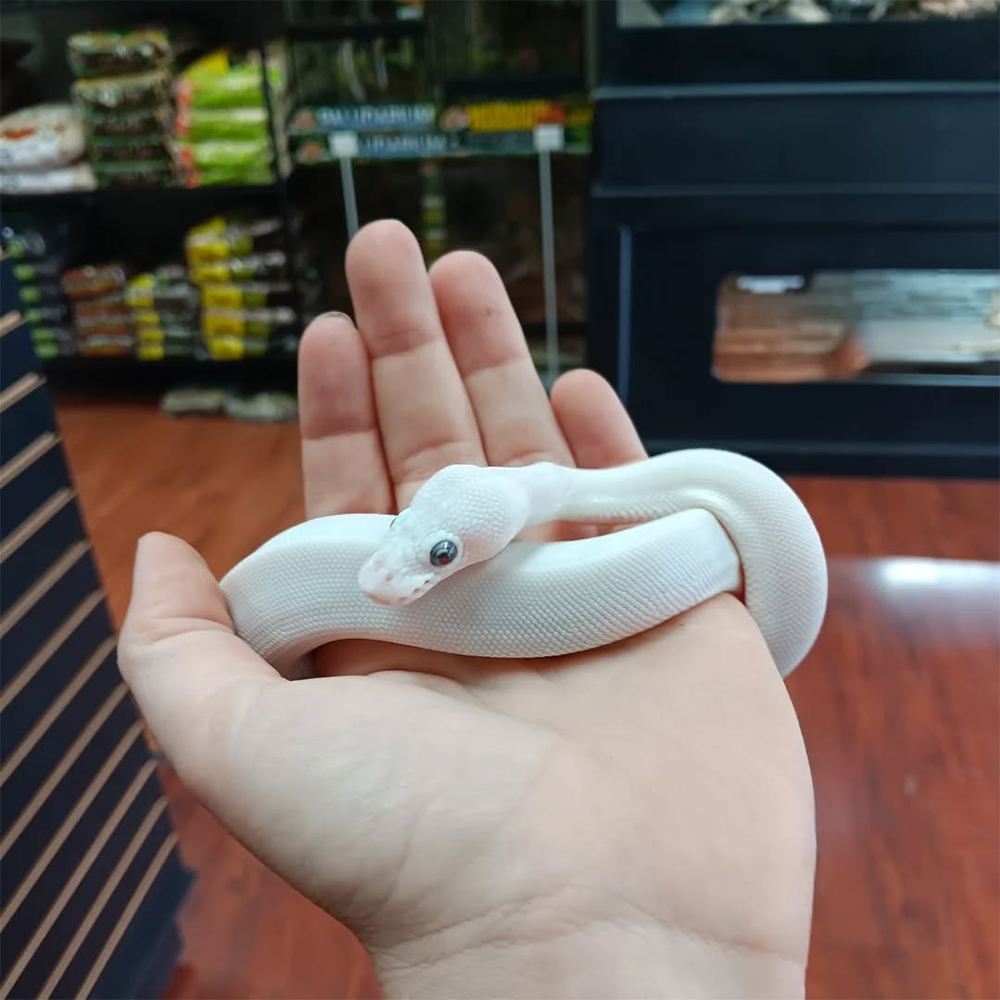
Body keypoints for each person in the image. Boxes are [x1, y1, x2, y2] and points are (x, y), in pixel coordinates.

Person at [119, 220, 815, 999]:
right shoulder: (572, 508)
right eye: (409, 539)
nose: (390, 577)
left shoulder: (660, 513)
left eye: (439, 556)